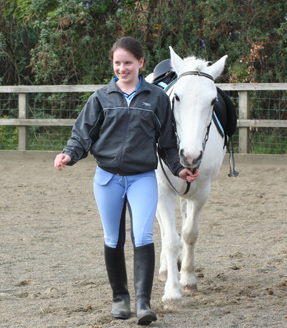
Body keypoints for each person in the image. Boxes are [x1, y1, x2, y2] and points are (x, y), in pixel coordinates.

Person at [54, 36, 199, 325]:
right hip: (107, 178)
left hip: (142, 178)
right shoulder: (101, 97)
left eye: (128, 63)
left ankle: (144, 303)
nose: (122, 68)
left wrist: (179, 168)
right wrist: (69, 154)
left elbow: (168, 143)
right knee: (113, 238)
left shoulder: (156, 98)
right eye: (117, 63)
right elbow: (83, 134)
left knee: (143, 236)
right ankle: (120, 299)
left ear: (141, 63)